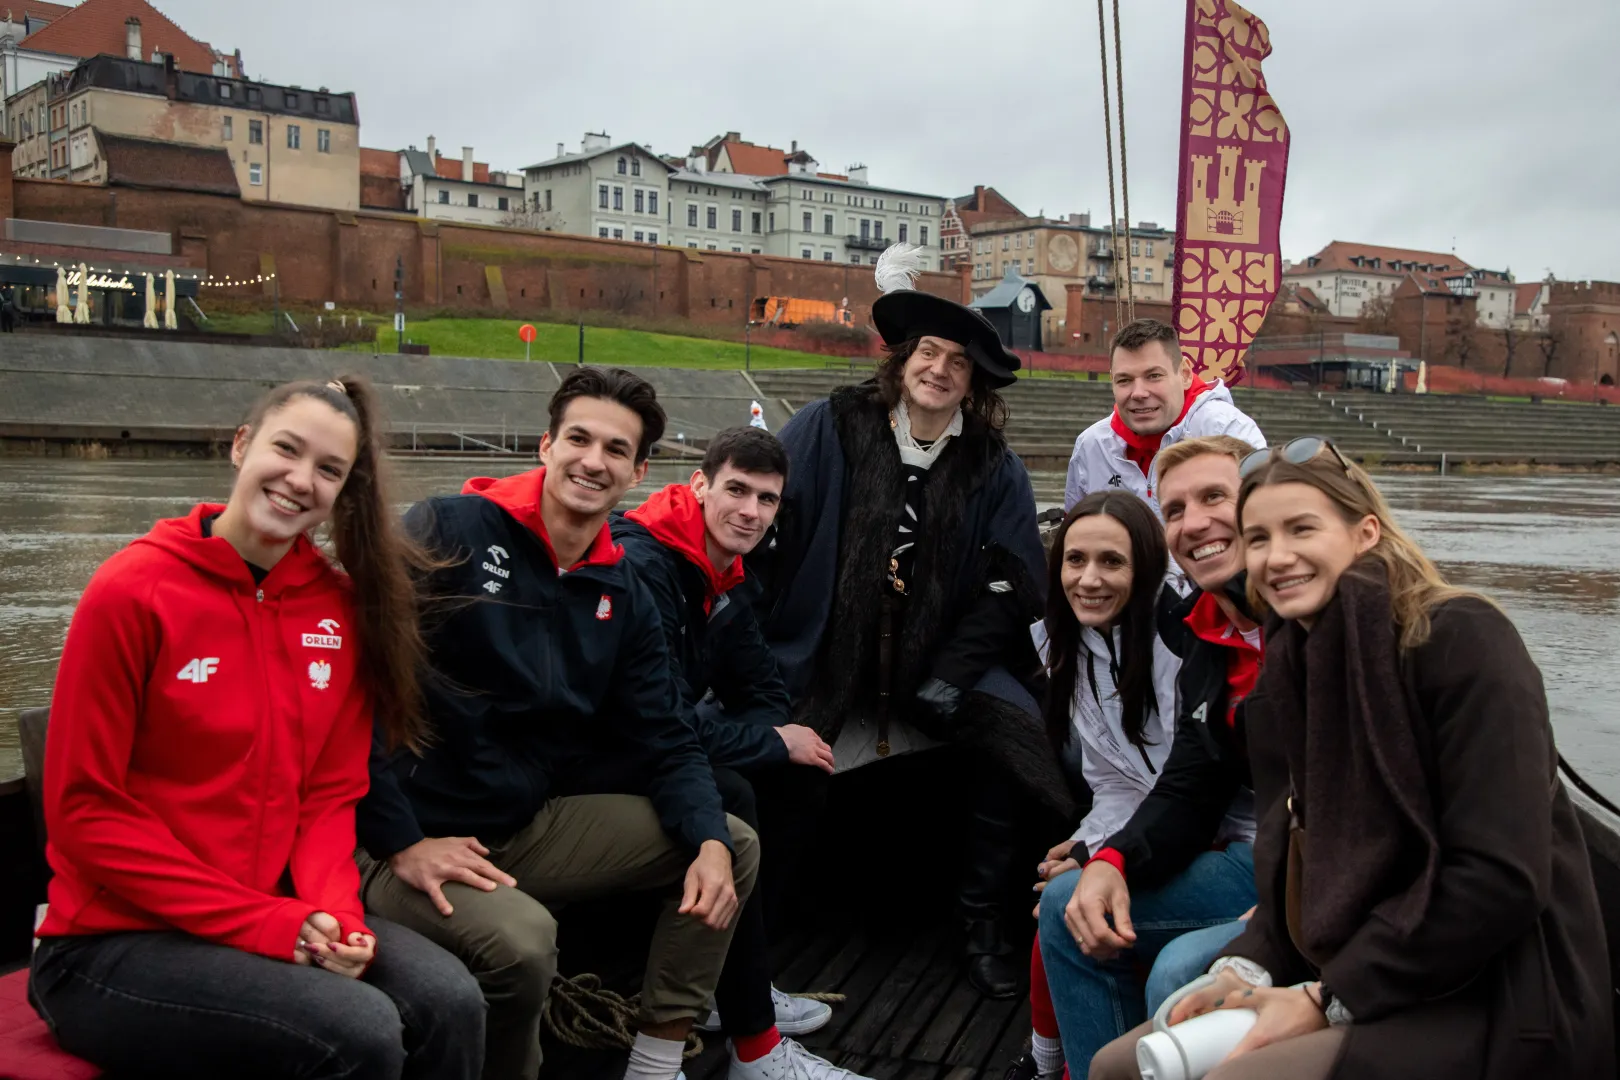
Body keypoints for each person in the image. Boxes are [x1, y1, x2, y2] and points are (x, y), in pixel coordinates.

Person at [1089, 436, 1615, 1079]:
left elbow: (1500, 879)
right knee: (1117, 1065)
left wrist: (1328, 998)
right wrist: (1244, 966)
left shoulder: (1462, 641)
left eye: (1301, 528)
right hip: (1359, 963)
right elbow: (1291, 857)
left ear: (1365, 532)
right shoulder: (1293, 664)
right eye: (1257, 539)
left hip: (1498, 988)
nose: (1276, 557)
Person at [29, 376, 486, 1079]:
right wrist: (267, 923)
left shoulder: (335, 609)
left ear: (343, 489)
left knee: (452, 1001)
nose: (301, 481)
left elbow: (330, 795)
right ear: (242, 446)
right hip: (110, 943)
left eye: (329, 469)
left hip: (271, 915)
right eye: (287, 450)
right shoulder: (132, 591)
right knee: (358, 1031)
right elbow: (84, 811)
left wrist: (340, 917)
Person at [354, 367, 759, 1080]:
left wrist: (705, 838)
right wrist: (401, 841)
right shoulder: (447, 532)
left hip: (522, 825)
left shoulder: (621, 588)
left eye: (614, 450)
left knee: (731, 844)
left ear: (637, 472)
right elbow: (355, 695)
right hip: (405, 839)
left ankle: (657, 1064)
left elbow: (666, 733)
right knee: (527, 941)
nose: (591, 461)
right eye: (578, 438)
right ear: (546, 445)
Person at [753, 243, 1069, 1000]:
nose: (939, 369)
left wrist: (954, 675)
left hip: (946, 660)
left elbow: (1011, 579)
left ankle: (983, 923)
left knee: (1017, 740)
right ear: (903, 360)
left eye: (958, 362)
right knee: (769, 743)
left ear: (974, 381)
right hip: (828, 650)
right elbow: (766, 529)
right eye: (928, 351)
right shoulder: (830, 426)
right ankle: (769, 925)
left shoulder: (995, 464)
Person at [613, 427, 863, 1080]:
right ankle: (753, 1041)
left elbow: (761, 688)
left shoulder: (722, 574)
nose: (750, 511)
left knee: (800, 774)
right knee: (737, 794)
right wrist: (770, 739)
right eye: (737, 491)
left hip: (656, 743)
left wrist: (775, 739)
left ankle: (736, 979)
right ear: (698, 486)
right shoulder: (647, 565)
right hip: (597, 755)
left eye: (768, 500)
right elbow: (655, 724)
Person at [1037, 435, 1262, 1074]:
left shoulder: (1207, 637)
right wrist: (1104, 854)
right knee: (1066, 901)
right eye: (1176, 510)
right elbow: (1186, 781)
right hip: (1256, 856)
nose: (1196, 524)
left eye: (1216, 497)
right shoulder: (1214, 640)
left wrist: (1283, 904)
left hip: (1279, 866)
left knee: (1177, 969)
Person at [1006, 491, 1179, 1080]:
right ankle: (1049, 1061)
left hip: (1212, 835)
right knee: (1054, 893)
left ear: (1146, 567)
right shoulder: (1065, 644)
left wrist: (1102, 855)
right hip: (1146, 825)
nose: (1089, 579)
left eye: (1112, 562)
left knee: (1066, 905)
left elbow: (1192, 788)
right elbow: (1114, 782)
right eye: (1075, 560)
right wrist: (1090, 843)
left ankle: (1052, 1064)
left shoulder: (1173, 649)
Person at [1064, 319, 1263, 514]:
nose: (1138, 393)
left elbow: (1264, 521)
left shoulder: (1229, 431)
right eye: (1124, 380)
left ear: (1185, 374)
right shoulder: (1091, 446)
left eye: (1154, 376)